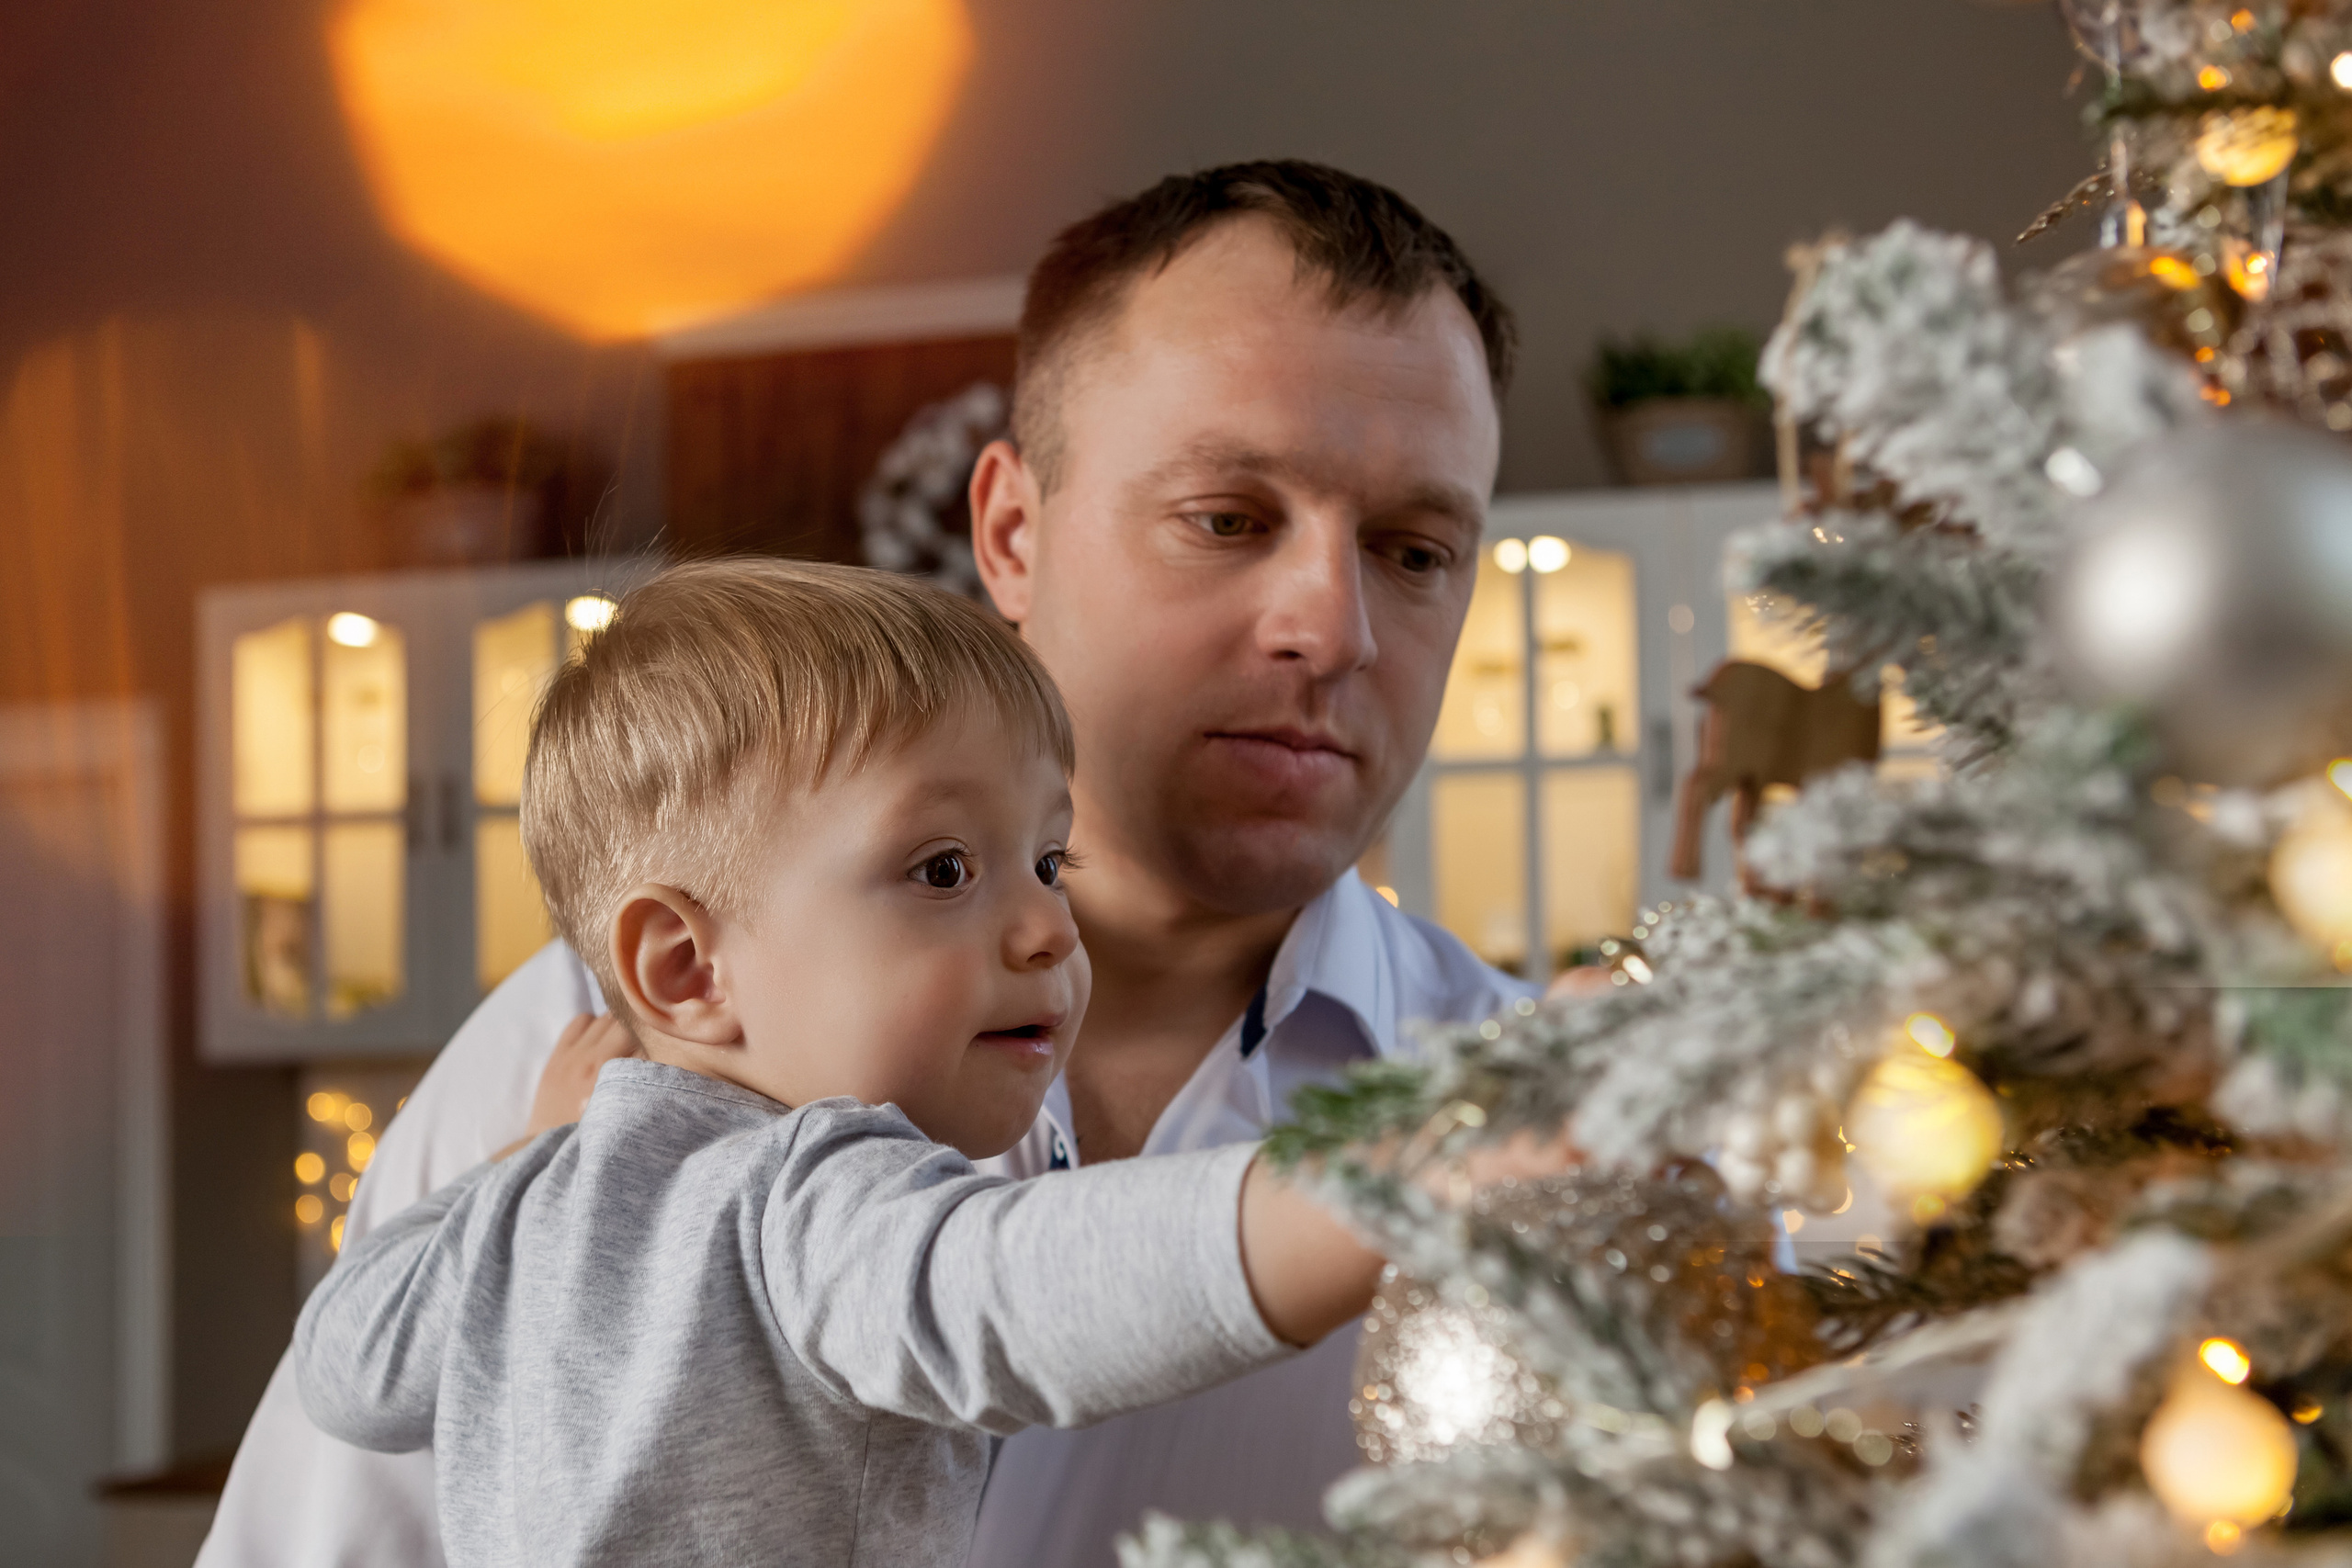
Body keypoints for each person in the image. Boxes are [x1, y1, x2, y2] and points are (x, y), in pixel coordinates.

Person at [198, 159, 1532, 1568]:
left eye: (1416, 549)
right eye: (1228, 517)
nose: (1334, 628)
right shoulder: (609, 1053)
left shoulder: (1558, 1130)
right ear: (1013, 532)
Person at [296, 558, 1416, 1568]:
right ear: (686, 968)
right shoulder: (813, 1192)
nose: (1050, 930)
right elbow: (1009, 1290)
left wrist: (525, 1164)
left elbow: (346, 1360)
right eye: (942, 871)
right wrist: (1399, 1189)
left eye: (1046, 859)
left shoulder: (538, 1206)